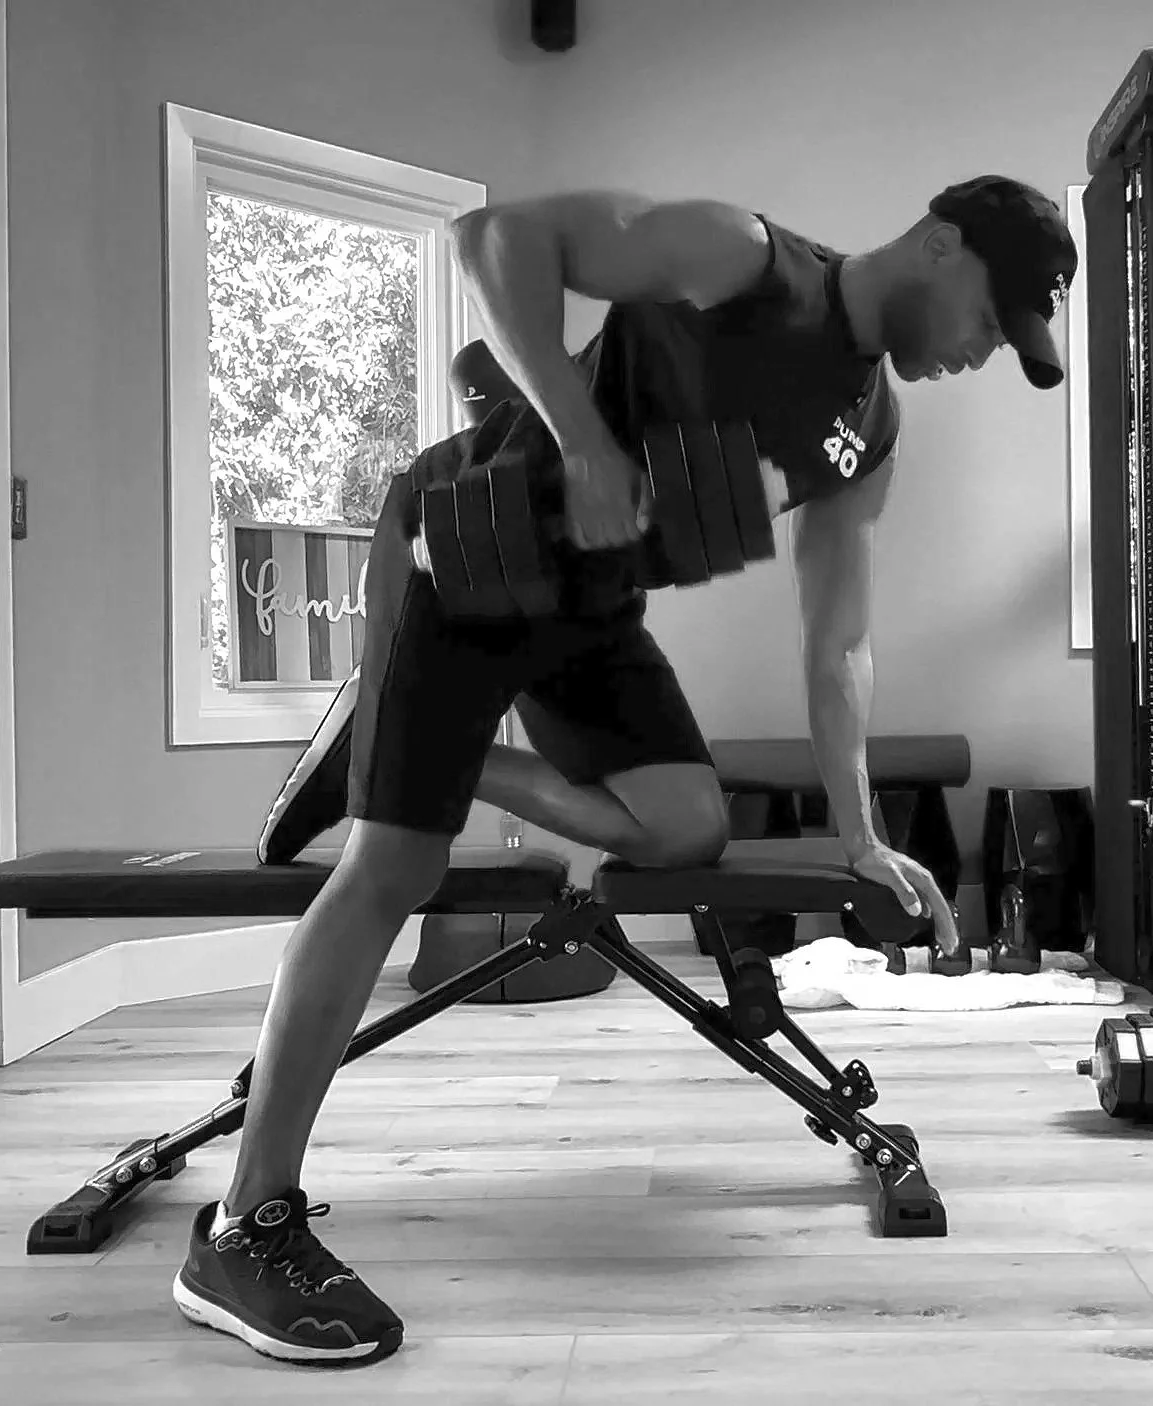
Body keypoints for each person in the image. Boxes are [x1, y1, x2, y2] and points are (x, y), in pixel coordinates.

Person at [176, 174, 1078, 1367]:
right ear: (939, 243)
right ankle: (245, 1223)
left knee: (683, 824)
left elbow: (838, 636)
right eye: (989, 319)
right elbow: (494, 239)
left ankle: (413, 754)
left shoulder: (871, 428)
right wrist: (582, 438)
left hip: (587, 614)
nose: (979, 353)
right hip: (459, 548)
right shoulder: (746, 257)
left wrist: (858, 831)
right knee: (394, 862)